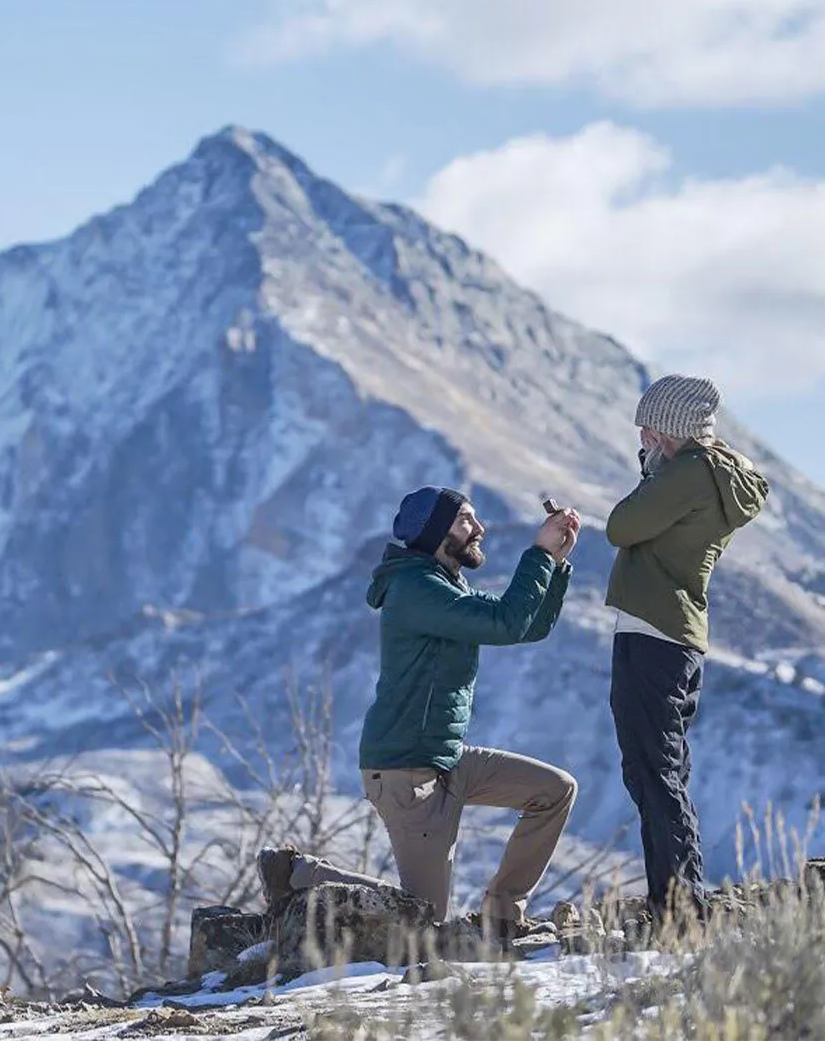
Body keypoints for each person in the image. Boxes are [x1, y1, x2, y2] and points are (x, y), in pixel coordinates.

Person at [259, 487, 580, 942]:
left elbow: (527, 627)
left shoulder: (446, 587)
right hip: (406, 771)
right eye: (466, 520)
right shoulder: (416, 590)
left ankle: (504, 916)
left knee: (554, 791)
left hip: (446, 758)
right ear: (435, 533)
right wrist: (539, 554)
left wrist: (556, 564)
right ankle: (298, 874)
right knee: (424, 921)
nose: (479, 529)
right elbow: (506, 623)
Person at [606, 374, 769, 924]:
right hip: (671, 635)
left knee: (653, 772)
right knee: (659, 771)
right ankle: (677, 902)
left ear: (671, 428)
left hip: (654, 632)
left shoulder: (689, 473)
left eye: (648, 429)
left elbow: (622, 525)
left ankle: (680, 912)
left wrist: (651, 473)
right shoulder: (710, 474)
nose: (642, 438)